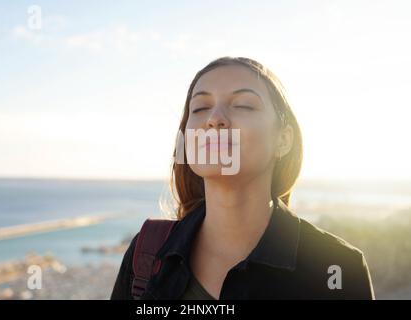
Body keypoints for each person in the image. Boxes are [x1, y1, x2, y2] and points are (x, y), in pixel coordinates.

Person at [111, 56, 375, 300]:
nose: (214, 120)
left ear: (283, 139)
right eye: (201, 107)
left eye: (243, 105)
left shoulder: (337, 268)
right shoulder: (146, 255)